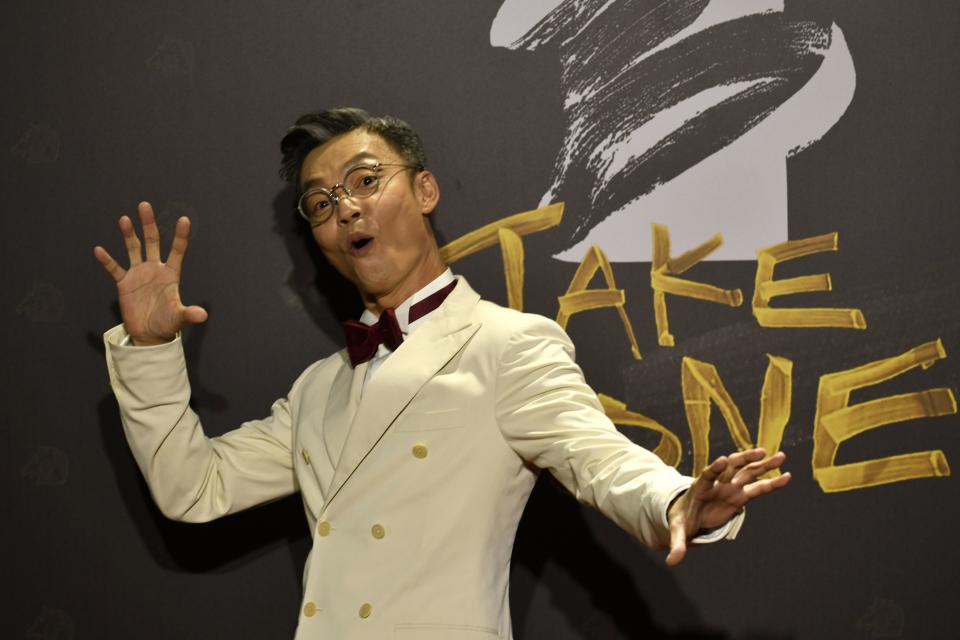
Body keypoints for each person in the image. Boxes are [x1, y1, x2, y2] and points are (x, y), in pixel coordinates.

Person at [94, 107, 791, 639]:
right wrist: (152, 351)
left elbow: (596, 456)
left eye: (366, 181)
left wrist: (675, 503)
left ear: (424, 189)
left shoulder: (507, 344)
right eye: (322, 203)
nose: (347, 208)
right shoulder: (316, 389)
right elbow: (193, 490)